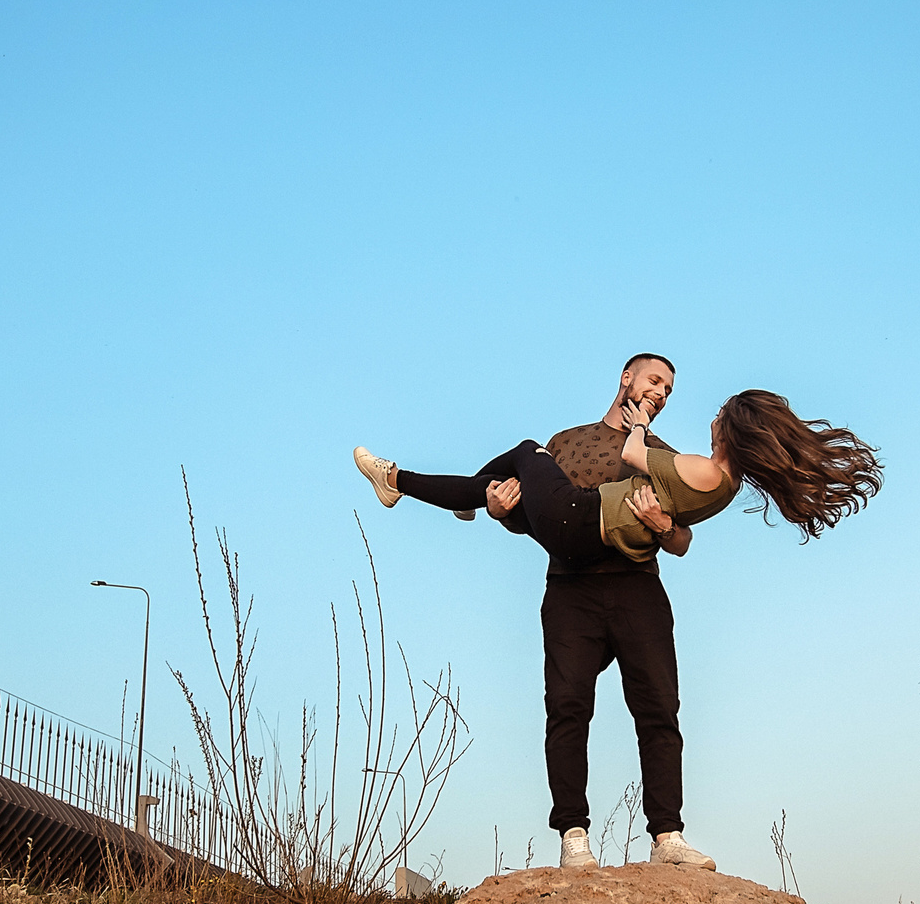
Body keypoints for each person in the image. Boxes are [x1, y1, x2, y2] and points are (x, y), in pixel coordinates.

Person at [352, 356, 880, 873]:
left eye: (669, 388)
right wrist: (498, 510)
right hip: (570, 586)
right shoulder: (566, 443)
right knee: (567, 708)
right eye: (654, 380)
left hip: (635, 588)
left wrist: (663, 521)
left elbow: (682, 539)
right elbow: (533, 519)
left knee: (658, 710)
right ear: (626, 378)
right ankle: (574, 840)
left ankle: (668, 837)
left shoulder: (661, 451)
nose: (662, 391)